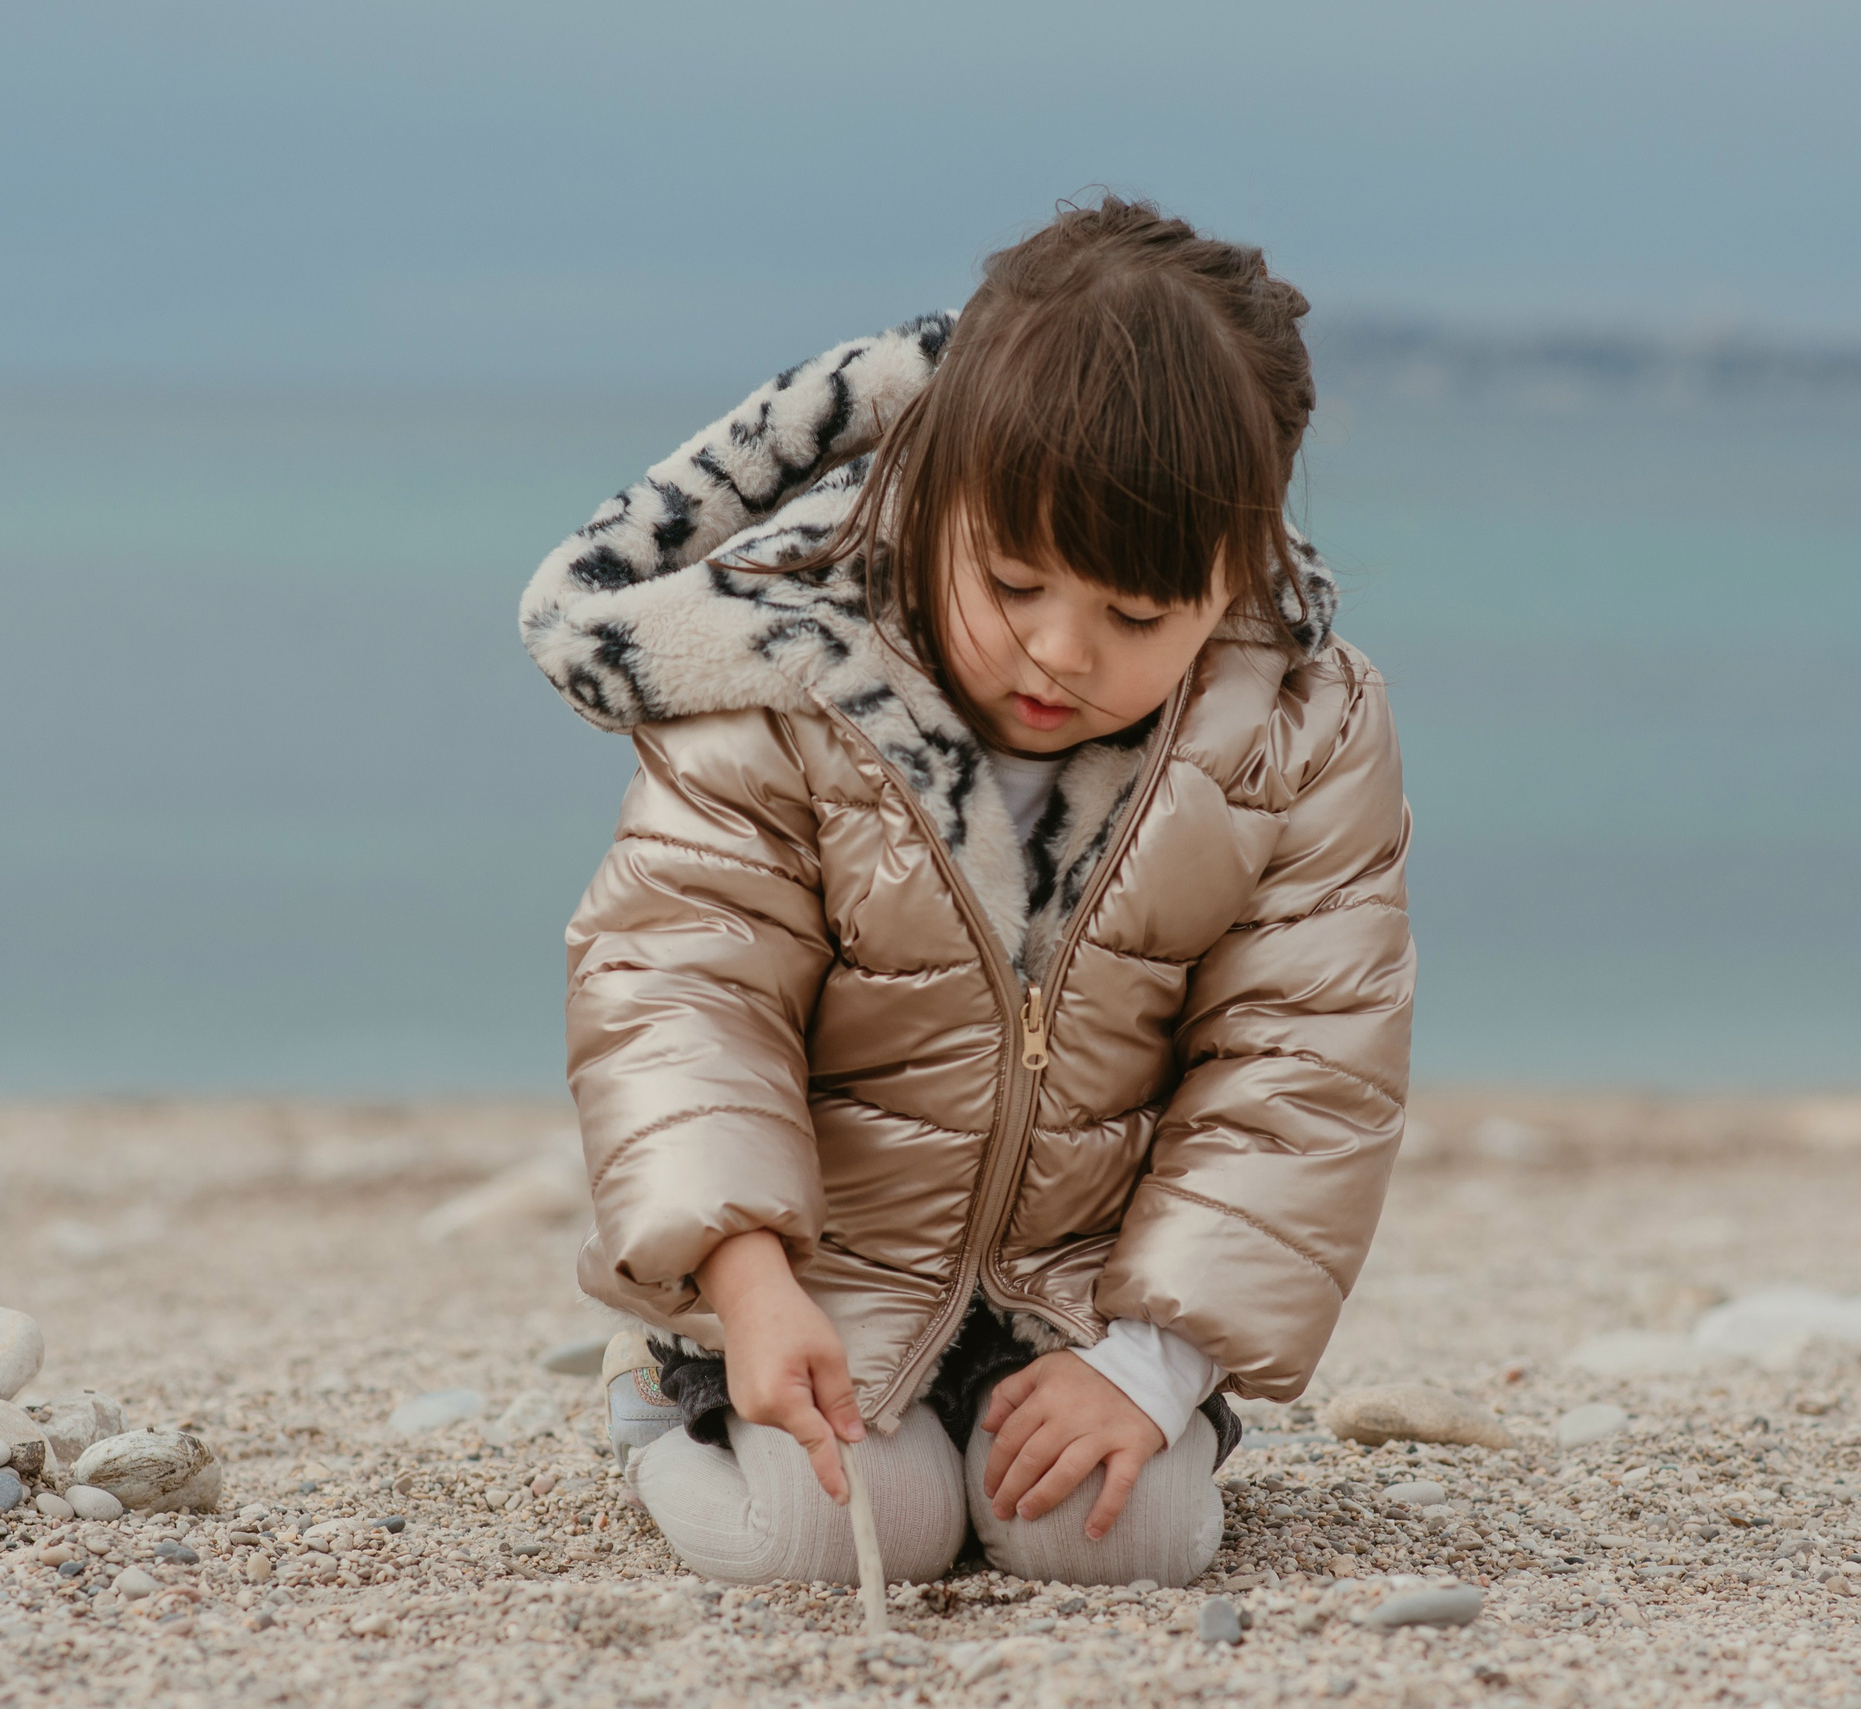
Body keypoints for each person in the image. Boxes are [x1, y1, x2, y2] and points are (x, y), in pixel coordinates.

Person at [517, 196, 1413, 1588]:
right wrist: (746, 1282)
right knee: (825, 1538)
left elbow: (1305, 1060)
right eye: (1014, 580)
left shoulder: (1296, 727)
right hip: (824, 1280)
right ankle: (664, 1412)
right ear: (938, 490)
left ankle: (1095, 1402)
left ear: (1239, 571)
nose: (1060, 653)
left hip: (1084, 1298)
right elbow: (682, 991)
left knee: (1125, 1542)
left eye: (1136, 617)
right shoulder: (787, 677)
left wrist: (1151, 1365)